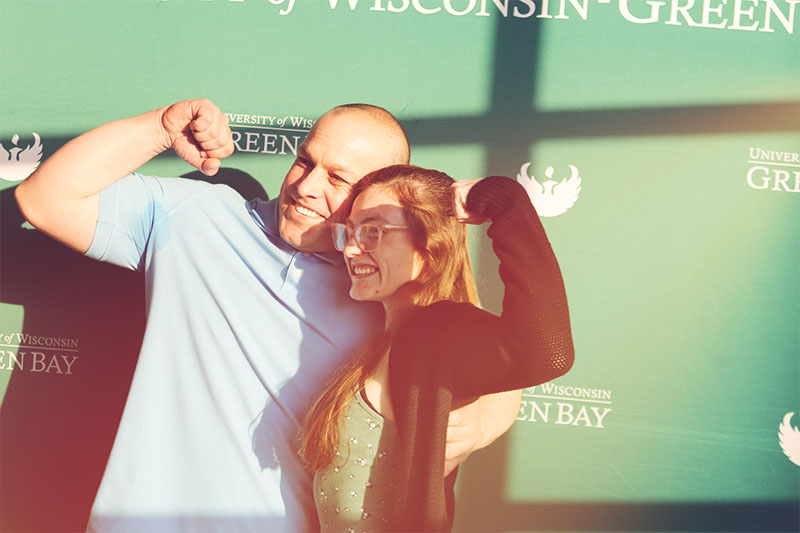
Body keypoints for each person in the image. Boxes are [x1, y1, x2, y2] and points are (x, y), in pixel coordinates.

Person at [14, 99, 523, 532]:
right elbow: (44, 198)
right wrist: (160, 127)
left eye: (337, 179)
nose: (305, 186)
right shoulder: (199, 214)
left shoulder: (385, 287)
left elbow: (500, 363)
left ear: (374, 196)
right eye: (306, 161)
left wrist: (477, 424)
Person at [299, 165, 575, 531]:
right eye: (348, 232)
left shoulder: (436, 328)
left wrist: (505, 202)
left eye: (373, 231)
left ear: (430, 242)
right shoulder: (387, 335)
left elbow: (546, 351)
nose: (350, 248)